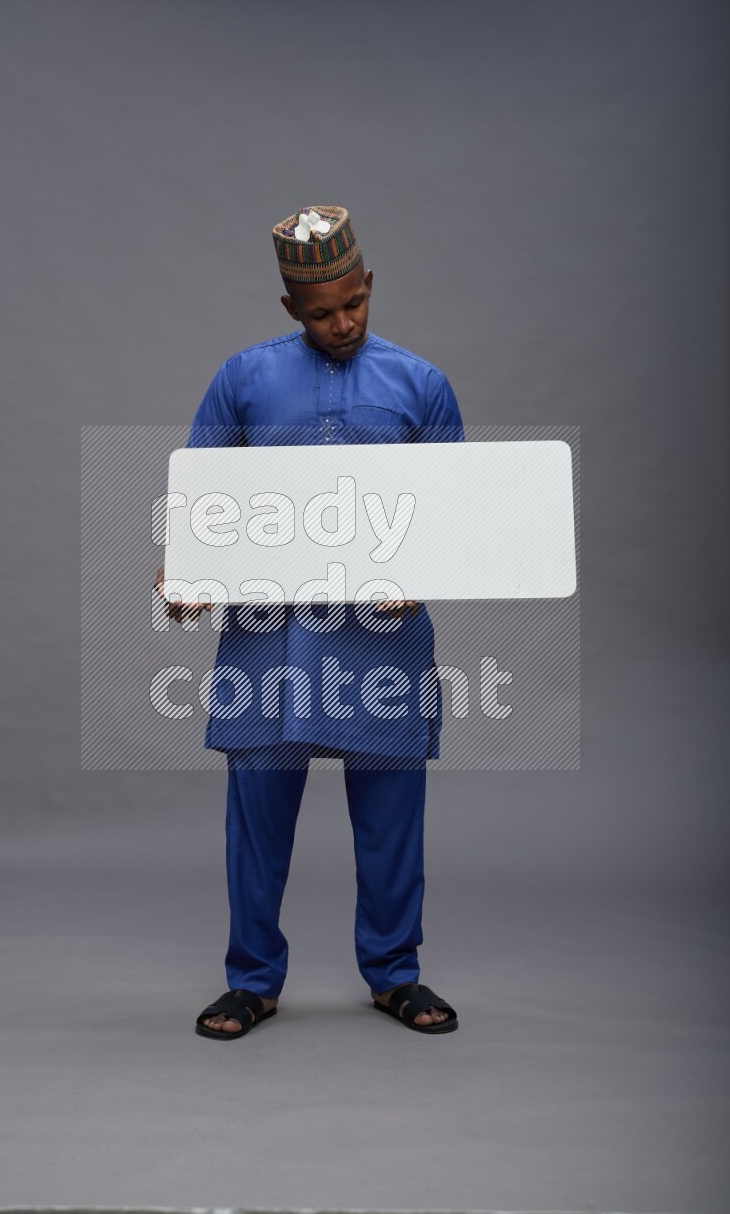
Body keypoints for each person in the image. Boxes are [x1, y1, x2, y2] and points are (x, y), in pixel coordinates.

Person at [158, 205, 464, 1038]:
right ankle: (252, 978)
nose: (342, 324)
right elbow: (200, 501)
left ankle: (395, 974)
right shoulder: (244, 379)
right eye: (322, 312)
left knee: (393, 815)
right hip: (271, 635)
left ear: (369, 285)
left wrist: (424, 570)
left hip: (383, 635)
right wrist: (185, 570)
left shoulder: (421, 385)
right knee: (257, 814)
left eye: (354, 304)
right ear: (290, 308)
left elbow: (455, 514)